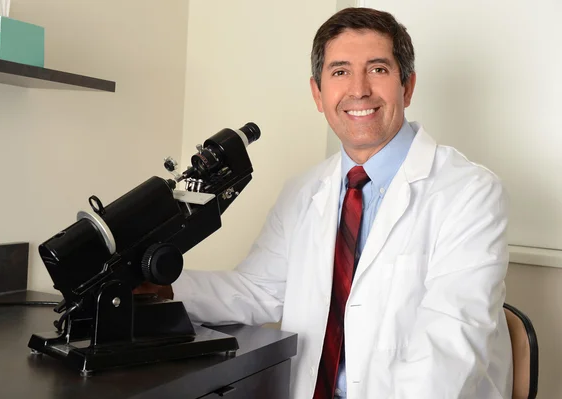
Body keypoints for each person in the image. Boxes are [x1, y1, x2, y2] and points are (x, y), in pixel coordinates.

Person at [135, 7, 513, 399]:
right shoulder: (303, 190)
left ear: (408, 86)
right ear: (318, 93)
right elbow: (257, 290)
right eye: (340, 71)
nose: (359, 89)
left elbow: (449, 352)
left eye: (378, 69)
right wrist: (159, 288)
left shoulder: (470, 192)